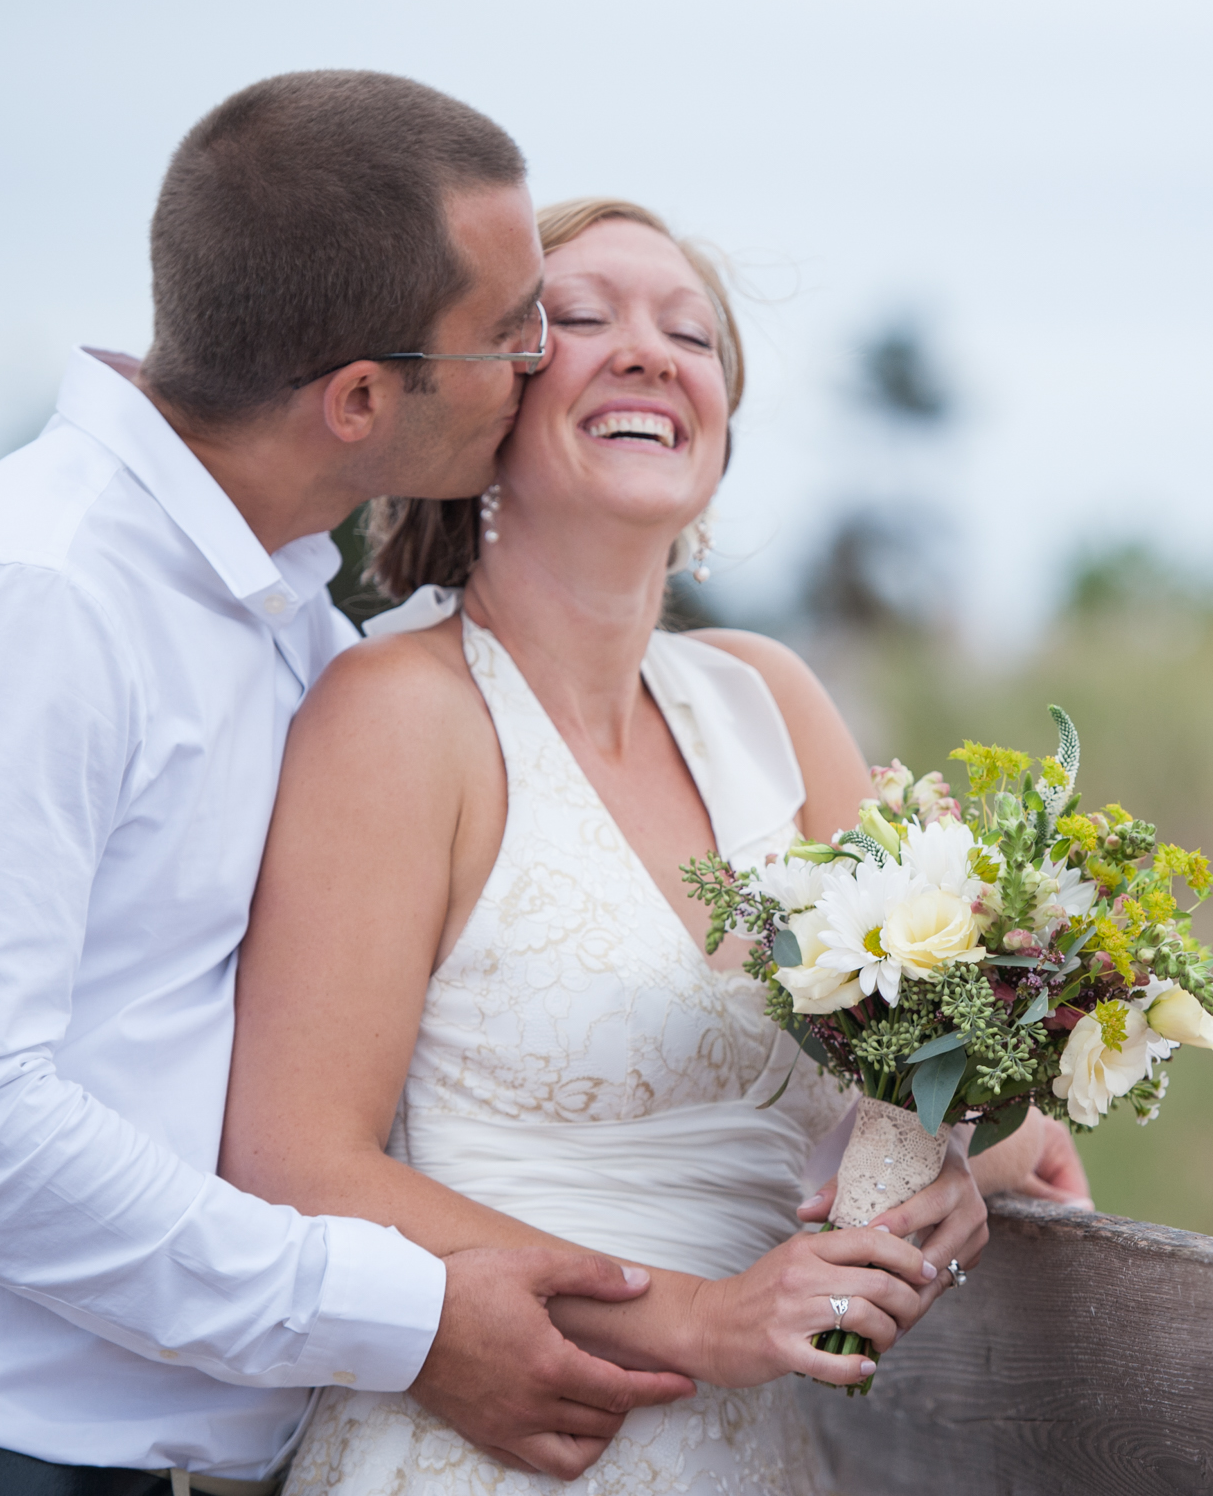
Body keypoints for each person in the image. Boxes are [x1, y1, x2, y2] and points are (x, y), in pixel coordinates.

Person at [0, 74, 698, 1496]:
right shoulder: (31, 599)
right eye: (512, 329)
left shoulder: (299, 637)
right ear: (362, 397)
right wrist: (400, 1316)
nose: (538, 356)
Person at [219, 198, 1090, 1495]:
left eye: (691, 333)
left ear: (721, 428)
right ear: (484, 402)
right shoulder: (399, 715)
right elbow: (292, 1162)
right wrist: (698, 1316)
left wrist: (965, 1166)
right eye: (577, 319)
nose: (648, 351)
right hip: (492, 1455)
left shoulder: (770, 704)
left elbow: (980, 1086)